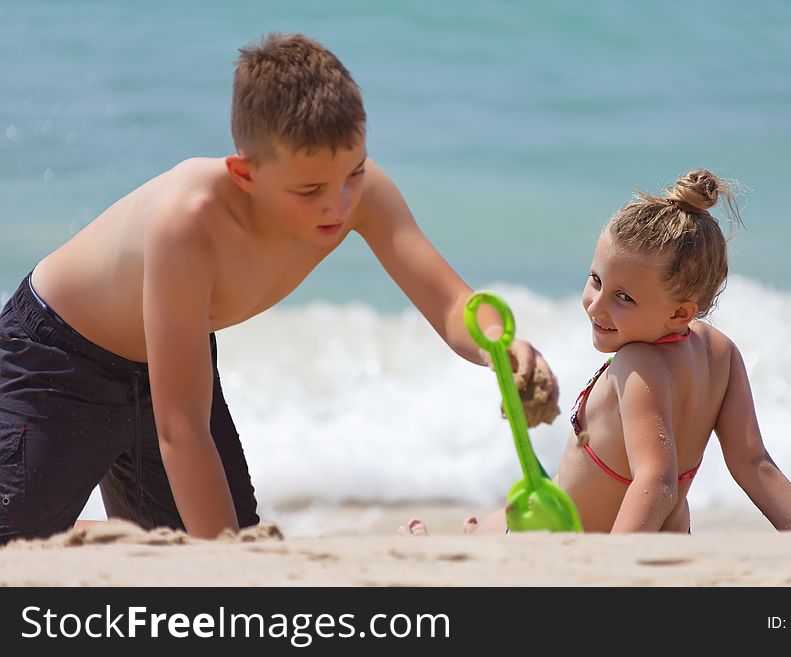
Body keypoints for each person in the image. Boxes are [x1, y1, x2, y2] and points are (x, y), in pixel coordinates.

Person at [0, 33, 557, 543]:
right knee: (20, 550)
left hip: (170, 364)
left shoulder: (358, 193)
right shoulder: (189, 220)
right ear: (245, 174)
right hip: (55, 362)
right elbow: (182, 429)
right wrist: (232, 574)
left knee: (204, 544)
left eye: (355, 173)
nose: (339, 205)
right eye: (310, 188)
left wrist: (496, 345)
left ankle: (104, 536)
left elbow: (449, 300)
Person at [401, 169, 791, 535]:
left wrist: (612, 569)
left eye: (623, 297)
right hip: (667, 540)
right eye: (596, 280)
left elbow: (657, 484)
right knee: (505, 516)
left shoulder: (641, 365)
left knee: (490, 539)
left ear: (680, 312)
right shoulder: (721, 353)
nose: (595, 305)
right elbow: (755, 465)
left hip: (581, 541)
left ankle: (454, 546)